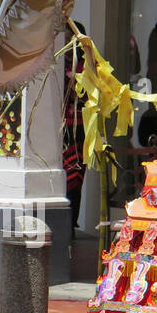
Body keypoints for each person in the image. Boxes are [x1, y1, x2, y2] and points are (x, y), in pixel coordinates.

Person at [62, 22, 88, 235]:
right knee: (63, 177)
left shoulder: (87, 66)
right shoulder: (55, 66)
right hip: (60, 130)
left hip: (78, 128)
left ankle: (70, 224)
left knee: (75, 179)